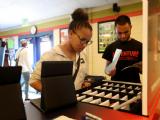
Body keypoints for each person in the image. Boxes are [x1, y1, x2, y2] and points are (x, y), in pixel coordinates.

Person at [29, 8, 93, 92]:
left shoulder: (82, 55)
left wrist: (81, 84)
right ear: (71, 33)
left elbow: (76, 79)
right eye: (82, 40)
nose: (85, 45)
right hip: (58, 103)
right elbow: (33, 81)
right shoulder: (51, 55)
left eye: (88, 41)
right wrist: (53, 93)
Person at [102, 15, 142, 83]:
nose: (123, 36)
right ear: (115, 29)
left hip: (135, 85)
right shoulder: (110, 47)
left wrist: (144, 69)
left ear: (131, 27)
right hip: (116, 86)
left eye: (126, 32)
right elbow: (107, 68)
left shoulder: (140, 46)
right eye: (119, 33)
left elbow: (141, 70)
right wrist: (108, 72)